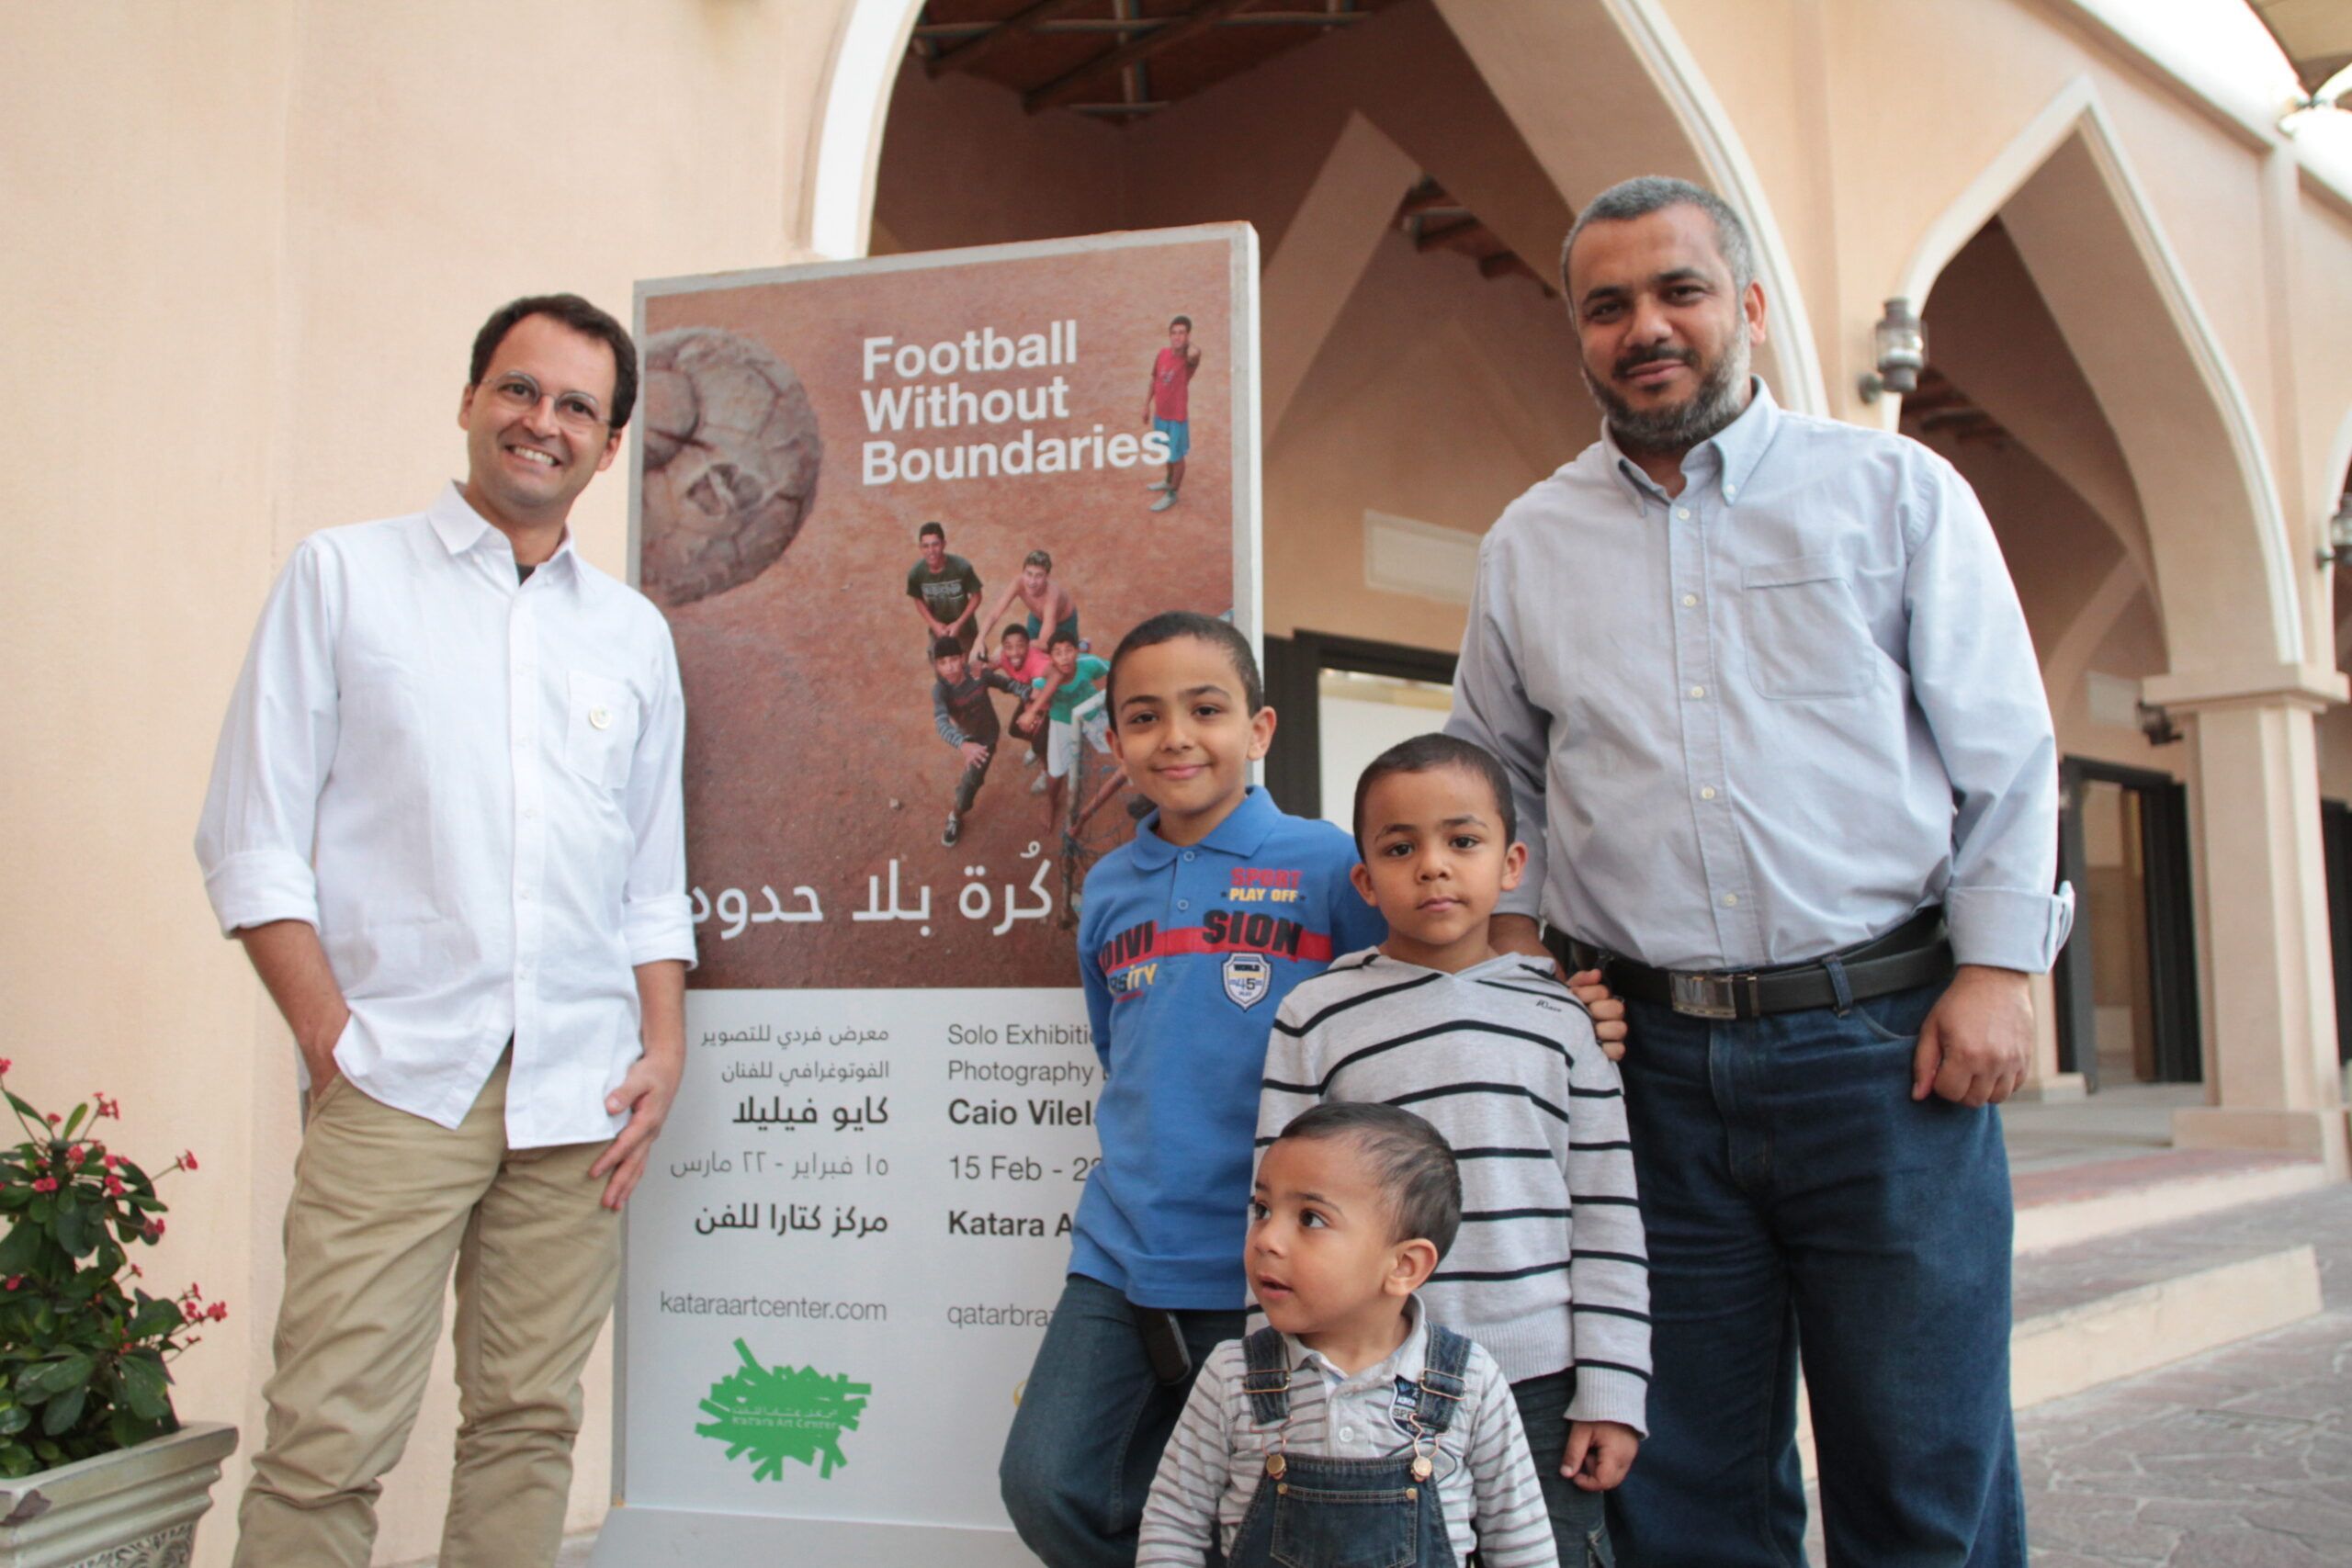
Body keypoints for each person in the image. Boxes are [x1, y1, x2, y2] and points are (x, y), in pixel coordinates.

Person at [1446, 175, 2071, 1567]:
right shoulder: (1529, 544)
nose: (1645, 327)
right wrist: (1524, 957)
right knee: (1686, 1487)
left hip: (1889, 1052)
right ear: (1578, 331)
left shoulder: (1895, 492)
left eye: (1678, 291)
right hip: (1647, 1073)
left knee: (1924, 1470)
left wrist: (1999, 965)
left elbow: (2009, 753)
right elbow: (1492, 777)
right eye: (1607, 306)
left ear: (1749, 306)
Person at [194, 294, 695, 1568]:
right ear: (471, 400)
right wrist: (330, 1036)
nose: (544, 422)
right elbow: (252, 834)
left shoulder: (629, 635)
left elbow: (648, 870)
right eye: (520, 390)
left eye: (577, 405)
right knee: (325, 1437)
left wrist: (663, 1044)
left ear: (611, 439)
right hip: (399, 1075)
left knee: (530, 1423)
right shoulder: (343, 574)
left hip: (579, 1092)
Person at [997, 612, 1390, 1568]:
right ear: (1114, 739)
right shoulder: (1111, 887)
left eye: (1204, 709)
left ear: (1257, 729)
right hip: (1121, 1245)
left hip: (1265, 1255)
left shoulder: (1326, 866)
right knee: (1048, 1482)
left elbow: (1391, 1023)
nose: (1174, 736)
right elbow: (1117, 1046)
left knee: (1264, 1514)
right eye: (1142, 716)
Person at [1255, 735, 1647, 1568]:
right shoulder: (1315, 1016)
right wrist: (1274, 1375)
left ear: (1511, 864)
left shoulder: (1563, 1018)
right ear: (1364, 879)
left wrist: (1613, 1390)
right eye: (1400, 848)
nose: (1433, 866)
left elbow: (1609, 1215)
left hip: (1540, 1382)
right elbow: (1274, 1211)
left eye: (1461, 842)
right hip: (1363, 1373)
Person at [1137, 1103, 1559, 1568]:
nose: (1266, 1239)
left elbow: (1524, 1548)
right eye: (1262, 1209)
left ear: (1404, 1266)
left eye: (1310, 1219)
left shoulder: (1469, 1381)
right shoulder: (1232, 1375)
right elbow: (1172, 1529)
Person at [930, 635, 1024, 846]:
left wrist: (1028, 693)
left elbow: (1007, 684)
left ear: (963, 658)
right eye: (943, 663)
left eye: (953, 659)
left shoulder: (978, 673)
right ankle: (956, 815)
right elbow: (941, 723)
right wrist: (964, 744)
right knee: (969, 784)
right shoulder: (940, 690)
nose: (950, 667)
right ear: (936, 666)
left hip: (990, 734)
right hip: (975, 744)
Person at [1021, 629, 1114, 836]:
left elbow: (1113, 670)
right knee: (1055, 772)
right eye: (1058, 652)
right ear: (1051, 658)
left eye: (1068, 651)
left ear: (1076, 653)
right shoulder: (1042, 680)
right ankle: (1050, 802)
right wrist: (1031, 712)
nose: (1064, 657)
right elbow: (1032, 697)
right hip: (1062, 721)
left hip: (1091, 712)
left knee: (1116, 747)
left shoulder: (1089, 664)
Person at [980, 621, 1052, 786]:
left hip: (1052, 703)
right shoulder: (1004, 656)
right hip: (1030, 697)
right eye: (1008, 647)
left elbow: (1044, 696)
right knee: (1015, 730)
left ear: (1028, 645)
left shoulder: (1039, 666)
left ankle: (1048, 770)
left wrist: (1031, 714)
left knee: (1041, 740)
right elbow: (986, 667)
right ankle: (1039, 746)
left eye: (1020, 646)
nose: (1014, 653)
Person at [1142, 316, 1201, 513]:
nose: (1177, 337)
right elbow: (1154, 379)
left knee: (1177, 457)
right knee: (1166, 452)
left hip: (1177, 418)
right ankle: (1168, 481)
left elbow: (1196, 354)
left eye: (1182, 333)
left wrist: (1187, 345)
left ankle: (1173, 493)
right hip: (1160, 415)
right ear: (1169, 335)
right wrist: (1146, 405)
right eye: (1174, 333)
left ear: (1188, 336)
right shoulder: (1162, 354)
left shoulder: (1188, 361)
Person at [978, 547, 1080, 659]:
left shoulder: (1052, 596)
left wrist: (1007, 646)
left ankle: (1083, 645)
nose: (1032, 582)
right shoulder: (1018, 583)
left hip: (1064, 623)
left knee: (1064, 659)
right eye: (1029, 573)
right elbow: (994, 614)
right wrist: (979, 639)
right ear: (1023, 572)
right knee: (1027, 656)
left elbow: (1045, 644)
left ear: (1047, 576)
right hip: (1036, 618)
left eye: (1039, 575)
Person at [906, 519, 984, 656]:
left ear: (943, 544)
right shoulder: (916, 572)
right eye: (926, 546)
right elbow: (917, 599)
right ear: (920, 548)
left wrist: (959, 623)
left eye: (935, 544)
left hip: (965, 630)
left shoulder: (961, 567)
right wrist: (934, 624)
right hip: (938, 631)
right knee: (942, 668)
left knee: (974, 667)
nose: (931, 551)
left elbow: (976, 596)